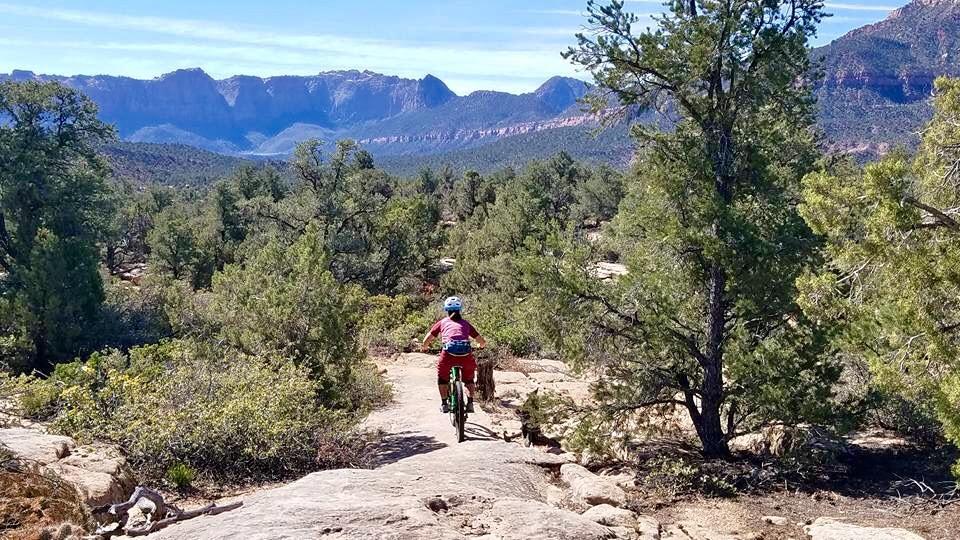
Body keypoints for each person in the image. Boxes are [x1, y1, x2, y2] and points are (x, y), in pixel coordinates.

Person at [421, 296, 486, 413]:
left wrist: (425, 347)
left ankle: (444, 403)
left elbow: (427, 339)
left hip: (448, 355)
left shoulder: (442, 322)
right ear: (460, 309)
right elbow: (482, 341)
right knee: (469, 379)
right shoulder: (466, 324)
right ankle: (470, 403)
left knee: (442, 378)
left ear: (447, 310)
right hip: (465, 354)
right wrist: (481, 346)